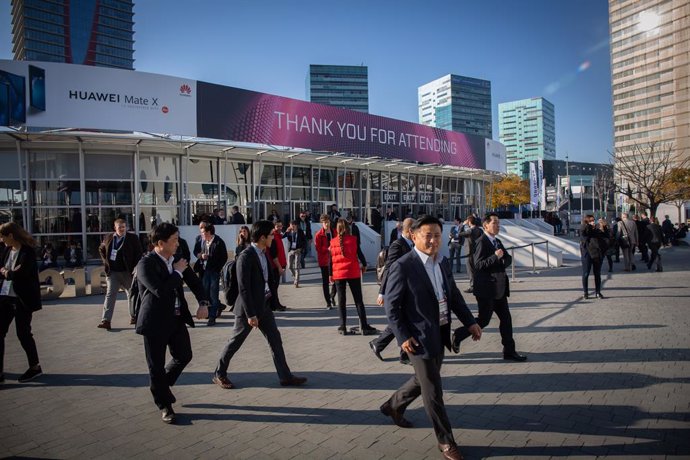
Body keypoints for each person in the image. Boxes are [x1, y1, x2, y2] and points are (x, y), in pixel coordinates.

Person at [382, 216, 481, 460]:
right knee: (434, 391)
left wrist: (470, 322)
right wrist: (402, 336)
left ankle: (393, 406)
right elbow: (391, 308)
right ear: (414, 236)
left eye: (437, 235)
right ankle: (446, 442)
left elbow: (454, 296)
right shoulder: (404, 266)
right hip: (416, 339)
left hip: (439, 332)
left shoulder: (443, 263)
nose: (433, 240)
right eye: (428, 235)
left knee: (423, 380)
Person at [212, 220, 307, 390]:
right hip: (248, 309)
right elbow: (244, 288)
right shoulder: (246, 256)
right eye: (271, 235)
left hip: (264, 306)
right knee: (235, 341)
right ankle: (219, 373)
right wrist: (251, 315)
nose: (274, 237)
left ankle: (285, 376)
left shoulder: (264, 253)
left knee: (275, 340)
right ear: (263, 237)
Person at [135, 223, 208, 424]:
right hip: (154, 322)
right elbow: (160, 291)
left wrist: (203, 302)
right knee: (155, 366)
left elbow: (194, 281)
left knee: (184, 355)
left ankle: (161, 388)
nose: (178, 243)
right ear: (160, 243)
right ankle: (165, 405)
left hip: (176, 318)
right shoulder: (145, 264)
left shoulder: (177, 259)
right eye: (174, 240)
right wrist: (176, 273)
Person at [452, 214, 527, 362]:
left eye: (499, 223)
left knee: (506, 319)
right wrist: (495, 257)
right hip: (486, 289)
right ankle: (459, 334)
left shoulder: (497, 241)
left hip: (499, 289)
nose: (498, 226)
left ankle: (509, 351)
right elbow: (478, 265)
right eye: (495, 223)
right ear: (486, 225)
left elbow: (506, 258)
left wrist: (503, 259)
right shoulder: (481, 241)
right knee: (484, 320)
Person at [0, 222, 43, 383]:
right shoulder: (6, 250)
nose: (1, 240)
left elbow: (20, 274)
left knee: (23, 333)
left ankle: (35, 367)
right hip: (5, 297)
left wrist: (7, 272)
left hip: (22, 299)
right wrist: (7, 272)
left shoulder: (27, 252)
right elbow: (6, 271)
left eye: (3, 237)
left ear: (11, 236)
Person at [371, 217, 414, 364]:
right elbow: (389, 268)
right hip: (398, 289)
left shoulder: (410, 244)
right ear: (409, 231)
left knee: (403, 319)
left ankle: (380, 344)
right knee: (402, 319)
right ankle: (403, 353)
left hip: (407, 288)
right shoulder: (398, 245)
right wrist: (382, 292)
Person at [330, 218, 376, 335]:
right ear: (348, 228)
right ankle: (364, 326)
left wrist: (331, 274)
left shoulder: (333, 242)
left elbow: (331, 260)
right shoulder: (353, 240)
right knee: (358, 300)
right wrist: (365, 264)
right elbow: (359, 253)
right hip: (352, 272)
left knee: (341, 301)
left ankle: (343, 326)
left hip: (339, 274)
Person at [98, 218, 143, 330]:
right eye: (120, 227)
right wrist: (106, 262)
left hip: (127, 272)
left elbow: (139, 253)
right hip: (113, 272)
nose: (122, 229)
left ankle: (134, 316)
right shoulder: (108, 238)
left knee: (131, 294)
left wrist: (135, 267)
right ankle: (106, 321)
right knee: (110, 295)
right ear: (115, 228)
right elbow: (101, 249)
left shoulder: (133, 238)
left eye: (124, 227)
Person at [193, 221, 228, 326]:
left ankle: (212, 316)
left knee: (213, 294)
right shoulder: (201, 240)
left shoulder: (218, 242)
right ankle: (209, 311)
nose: (202, 234)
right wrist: (200, 256)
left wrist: (217, 268)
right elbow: (196, 251)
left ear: (209, 233)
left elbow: (224, 257)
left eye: (204, 232)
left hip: (213, 272)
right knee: (205, 293)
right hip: (203, 270)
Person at [580, 215, 606, 299]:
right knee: (586, 273)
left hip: (596, 253)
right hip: (587, 254)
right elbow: (584, 235)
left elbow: (605, 236)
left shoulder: (596, 229)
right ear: (586, 221)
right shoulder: (584, 228)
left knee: (597, 273)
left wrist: (603, 227)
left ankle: (598, 292)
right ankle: (585, 292)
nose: (593, 222)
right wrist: (589, 226)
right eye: (591, 220)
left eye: (593, 220)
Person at [314, 214, 337, 309]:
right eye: (324, 222)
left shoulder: (334, 231)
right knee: (325, 282)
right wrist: (327, 248)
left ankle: (332, 296)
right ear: (321, 223)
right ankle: (328, 302)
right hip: (324, 261)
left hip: (335, 259)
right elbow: (318, 248)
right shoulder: (318, 235)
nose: (326, 224)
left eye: (327, 222)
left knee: (337, 280)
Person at [458, 215, 483, 294]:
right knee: (476, 270)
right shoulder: (479, 230)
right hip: (477, 252)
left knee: (470, 270)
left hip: (469, 253)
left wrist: (462, 225)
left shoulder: (470, 231)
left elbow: (460, 233)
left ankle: (473, 286)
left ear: (469, 222)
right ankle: (478, 286)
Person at [268, 220, 287, 311]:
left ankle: (275, 303)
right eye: (278, 226)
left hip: (278, 265)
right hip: (275, 266)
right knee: (274, 286)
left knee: (275, 286)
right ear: (274, 227)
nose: (280, 228)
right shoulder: (273, 237)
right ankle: (274, 304)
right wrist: (279, 267)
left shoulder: (278, 236)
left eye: (281, 226)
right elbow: (274, 254)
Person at [285, 220, 306, 288]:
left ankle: (296, 282)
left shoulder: (300, 232)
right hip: (291, 250)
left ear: (296, 226)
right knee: (289, 266)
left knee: (297, 266)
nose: (292, 227)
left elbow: (304, 241)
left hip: (298, 250)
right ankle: (295, 276)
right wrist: (286, 231)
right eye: (291, 226)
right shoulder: (289, 232)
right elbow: (282, 237)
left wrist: (301, 249)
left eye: (293, 226)